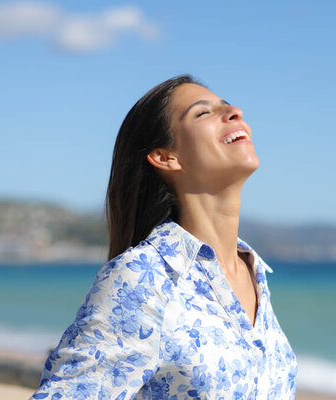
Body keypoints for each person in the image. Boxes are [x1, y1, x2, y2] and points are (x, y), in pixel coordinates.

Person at [31, 75, 298, 399]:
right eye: (203, 113)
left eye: (228, 106)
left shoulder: (253, 272)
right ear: (165, 157)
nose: (235, 112)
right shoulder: (143, 280)